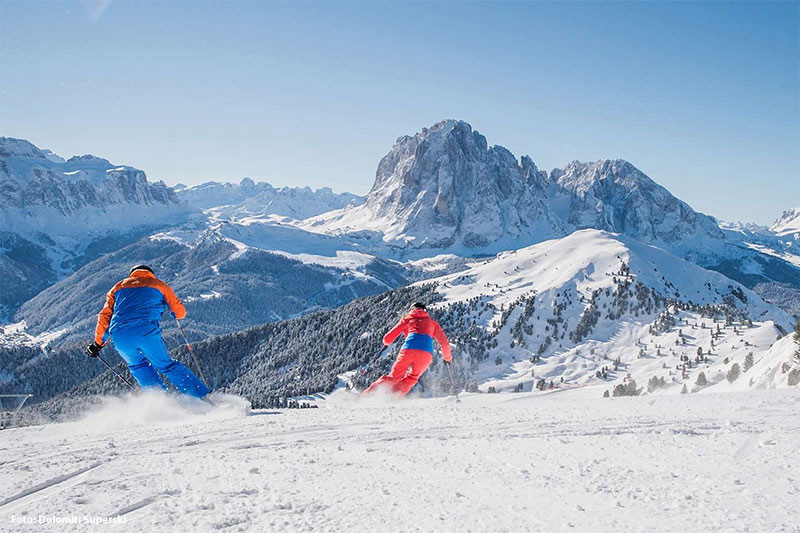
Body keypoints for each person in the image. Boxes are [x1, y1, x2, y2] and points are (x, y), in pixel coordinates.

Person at [85, 265, 210, 398]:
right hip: (146, 333)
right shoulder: (159, 285)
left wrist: (98, 344)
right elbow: (180, 312)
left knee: (138, 366)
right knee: (166, 365)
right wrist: (166, 308)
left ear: (132, 274)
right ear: (150, 274)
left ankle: (160, 402)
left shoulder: (117, 287)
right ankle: (201, 397)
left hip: (120, 336)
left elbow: (104, 317)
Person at [363, 302, 451, 397]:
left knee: (394, 377)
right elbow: (444, 344)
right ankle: (392, 398)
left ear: (411, 310)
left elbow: (387, 338)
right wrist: (447, 358)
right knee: (412, 378)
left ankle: (366, 396)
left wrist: (386, 343)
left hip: (408, 350)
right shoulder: (433, 323)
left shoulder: (407, 319)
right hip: (426, 354)